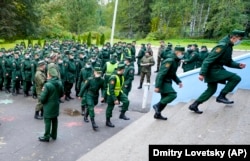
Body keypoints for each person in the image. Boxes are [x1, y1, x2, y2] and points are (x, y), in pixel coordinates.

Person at [188, 29, 246, 114]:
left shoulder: (229, 46)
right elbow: (208, 60)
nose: (240, 41)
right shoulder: (223, 46)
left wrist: (238, 65)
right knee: (235, 78)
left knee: (211, 90)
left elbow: (228, 61)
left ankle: (194, 105)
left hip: (216, 69)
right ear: (234, 37)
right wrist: (202, 74)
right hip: (213, 70)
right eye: (240, 39)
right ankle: (221, 96)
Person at [153, 46, 184, 120]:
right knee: (172, 95)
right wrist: (157, 86)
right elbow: (161, 74)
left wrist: (178, 81)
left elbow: (172, 73)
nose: (182, 54)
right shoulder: (170, 60)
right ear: (177, 52)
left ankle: (158, 114)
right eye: (182, 53)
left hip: (167, 81)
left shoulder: (175, 60)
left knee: (164, 98)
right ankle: (157, 106)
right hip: (163, 81)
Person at [38, 68, 64, 142]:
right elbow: (62, 94)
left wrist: (40, 97)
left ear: (49, 75)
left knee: (47, 120)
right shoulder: (59, 83)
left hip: (48, 106)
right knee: (55, 119)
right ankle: (54, 135)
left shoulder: (47, 85)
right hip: (56, 104)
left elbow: (43, 98)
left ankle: (46, 136)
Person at [106, 63, 130, 128]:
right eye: (123, 69)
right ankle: (108, 121)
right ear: (121, 70)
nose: (124, 71)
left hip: (119, 93)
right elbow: (111, 90)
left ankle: (122, 114)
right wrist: (115, 99)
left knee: (126, 101)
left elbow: (119, 86)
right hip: (111, 95)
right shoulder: (113, 77)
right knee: (110, 108)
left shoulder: (121, 76)